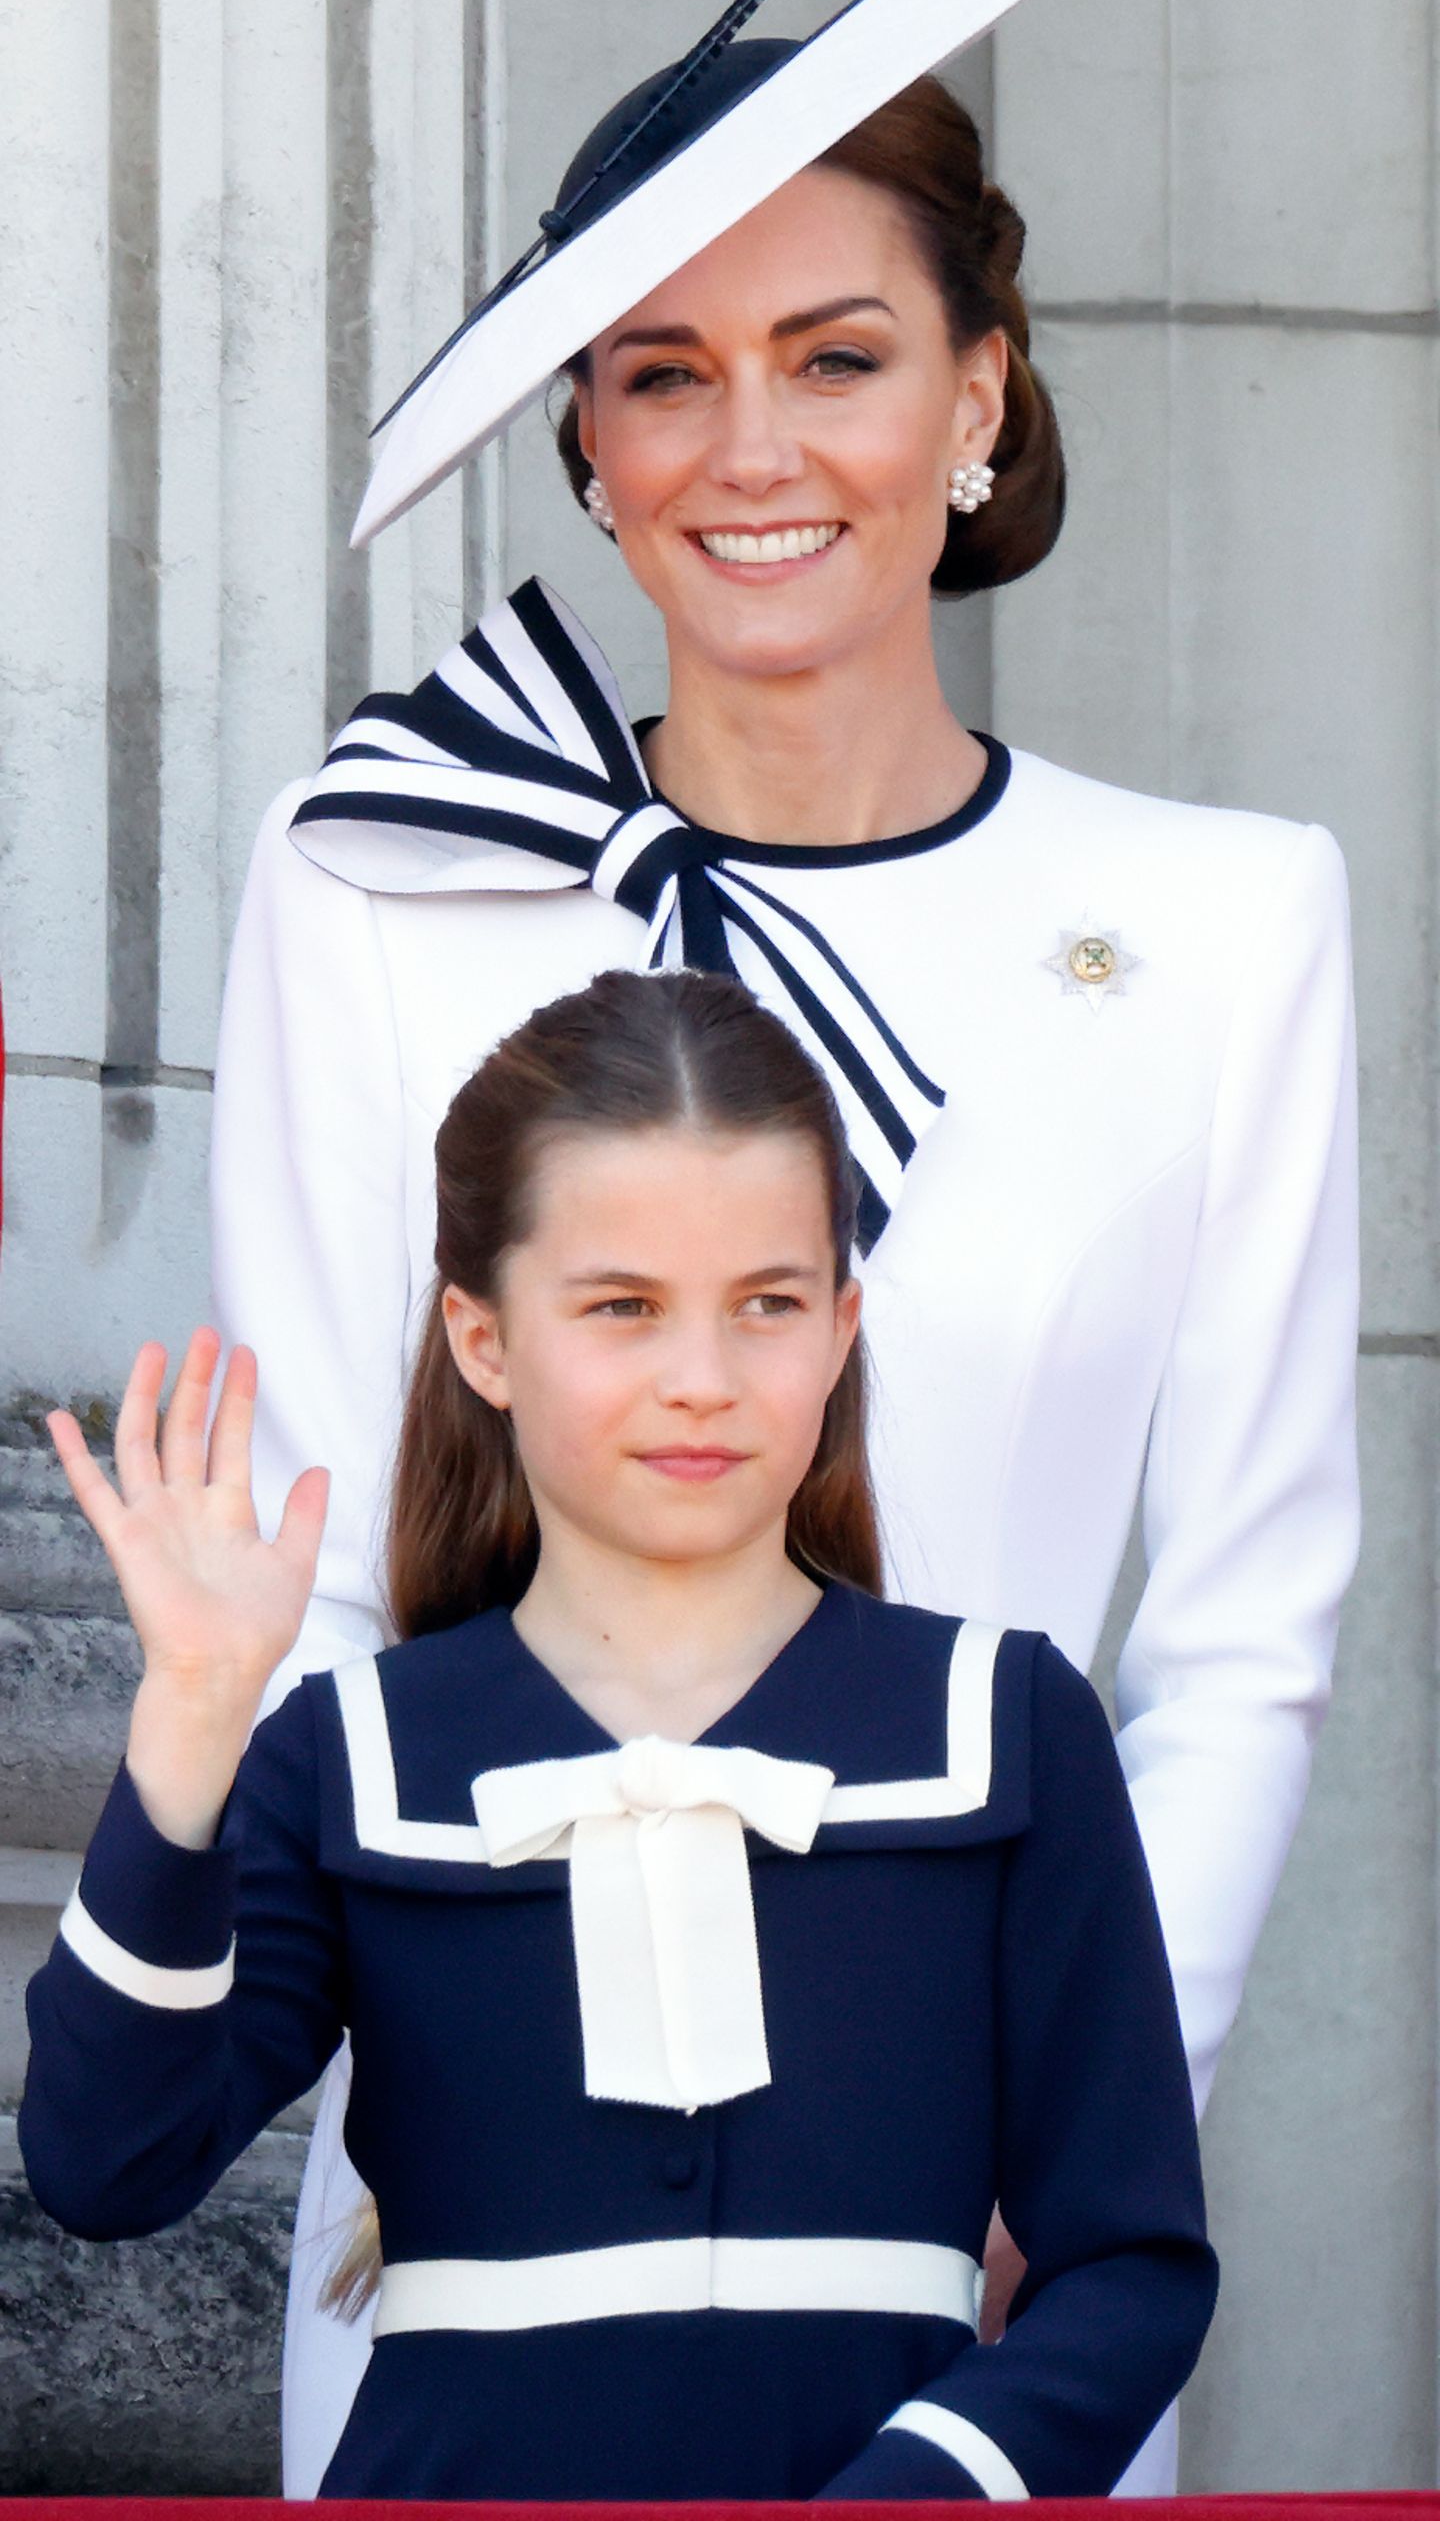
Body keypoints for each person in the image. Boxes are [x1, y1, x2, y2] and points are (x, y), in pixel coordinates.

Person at [208, 0, 1355, 2498]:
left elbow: (1242, 1649)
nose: (753, 448)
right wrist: (458, 2065)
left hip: (980, 2243)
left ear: (978, 395)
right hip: (481, 2212)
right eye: (660, 368)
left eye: (837, 356)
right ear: (584, 440)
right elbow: (302, 1577)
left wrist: (1048, 2144)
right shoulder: (378, 882)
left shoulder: (1220, 928)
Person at [23, 971, 1217, 2502]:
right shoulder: (356, 1756)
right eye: (622, 1308)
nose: (704, 1380)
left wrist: (921, 2490)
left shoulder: (1006, 1724)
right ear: (483, 1338)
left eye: (770, 1304)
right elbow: (104, 2165)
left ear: (844, 1325)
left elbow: (1132, 2265)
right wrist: (192, 1717)